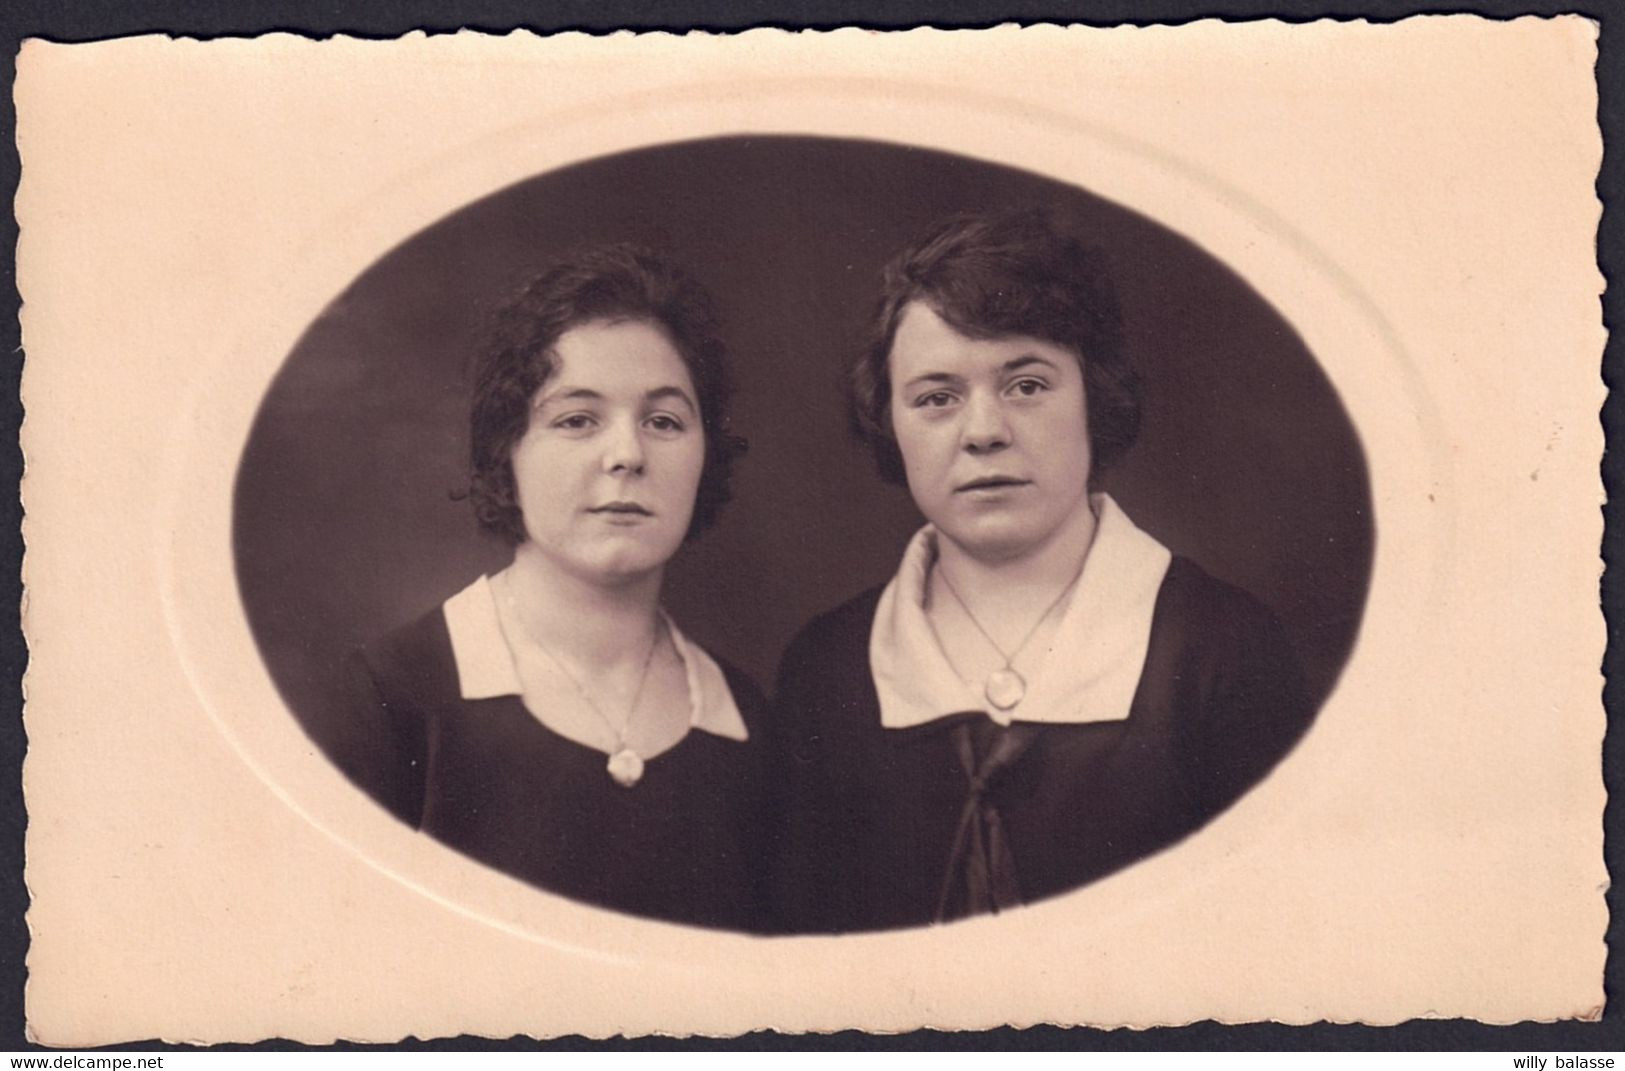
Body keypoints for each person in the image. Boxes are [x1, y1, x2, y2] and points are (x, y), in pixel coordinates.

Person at [770, 208, 1316, 933]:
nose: (984, 431)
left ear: (1094, 397)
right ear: (888, 422)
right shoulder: (828, 668)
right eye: (936, 398)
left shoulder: (1222, 648)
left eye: (1025, 385)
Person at [338, 244, 769, 932]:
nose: (626, 454)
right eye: (576, 419)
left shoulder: (749, 722)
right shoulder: (390, 697)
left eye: (663, 421)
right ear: (505, 450)